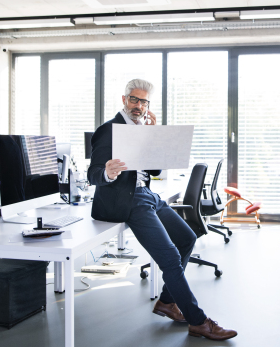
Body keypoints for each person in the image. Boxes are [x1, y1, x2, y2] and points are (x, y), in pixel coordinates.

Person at [87, 79, 237, 341]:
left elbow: (153, 171)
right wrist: (108, 173)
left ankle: (167, 302)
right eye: (134, 99)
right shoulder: (109, 130)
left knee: (187, 238)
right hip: (127, 200)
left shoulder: (142, 128)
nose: (139, 106)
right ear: (124, 100)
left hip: (146, 194)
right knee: (168, 256)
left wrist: (154, 139)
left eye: (144, 102)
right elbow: (93, 174)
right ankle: (198, 321)